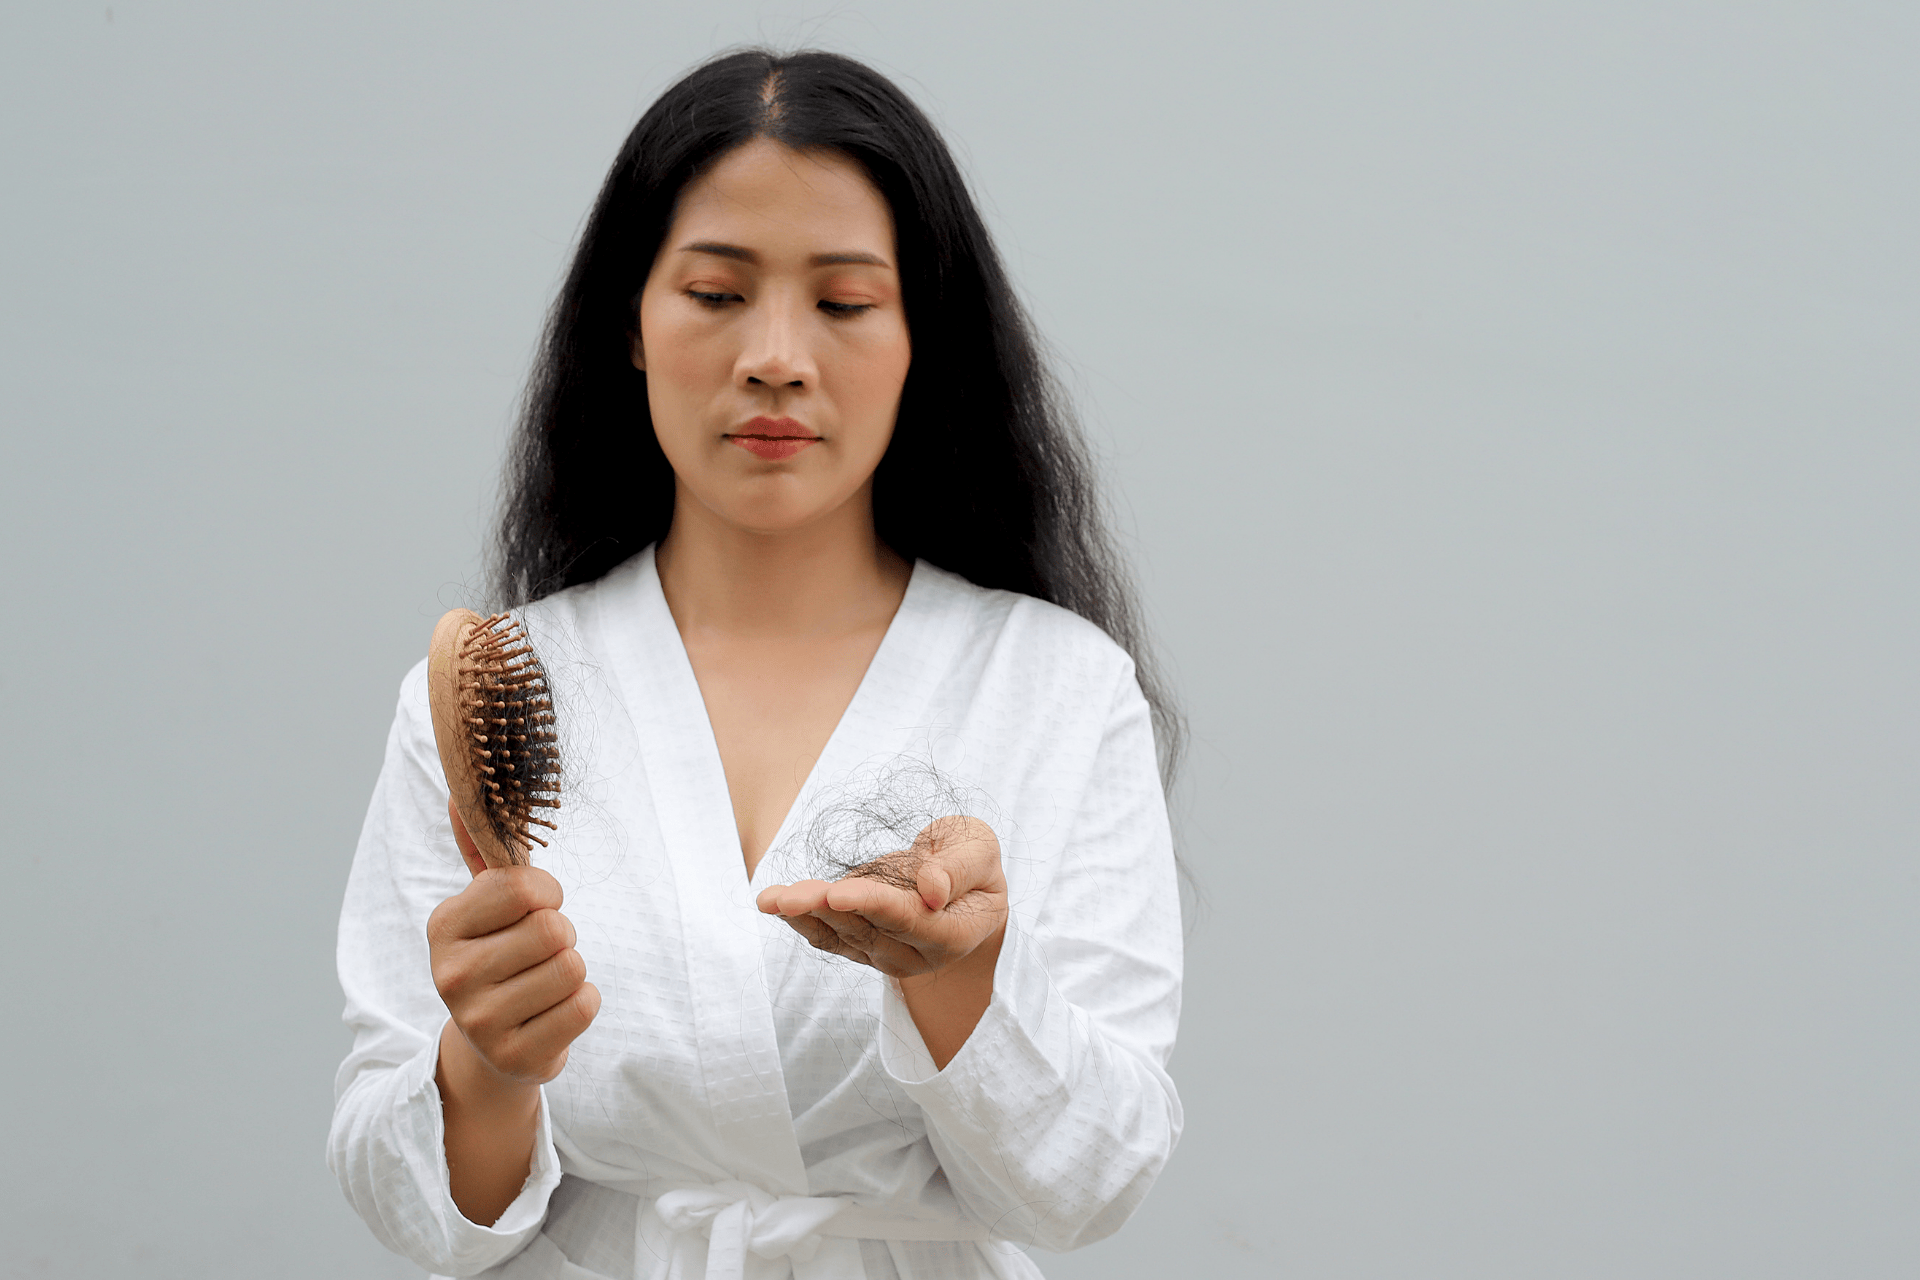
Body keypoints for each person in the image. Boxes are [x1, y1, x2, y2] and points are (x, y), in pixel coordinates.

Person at [330, 48, 1183, 1280]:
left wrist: (965, 984)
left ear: (918, 337)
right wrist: (487, 1065)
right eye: (717, 293)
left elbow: (1093, 1183)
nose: (776, 355)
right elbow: (401, 1192)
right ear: (629, 321)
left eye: (843, 302)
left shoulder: (1057, 686)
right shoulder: (478, 697)